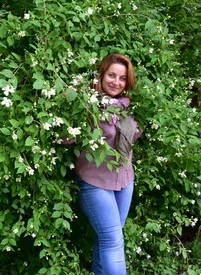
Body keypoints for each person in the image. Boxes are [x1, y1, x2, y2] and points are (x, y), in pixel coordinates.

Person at [63, 53, 142, 275]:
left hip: (124, 180)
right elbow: (65, 137)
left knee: (108, 237)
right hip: (95, 182)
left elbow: (136, 134)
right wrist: (70, 105)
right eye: (112, 75)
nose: (116, 82)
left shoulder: (129, 107)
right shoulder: (87, 105)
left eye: (122, 78)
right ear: (101, 75)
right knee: (113, 241)